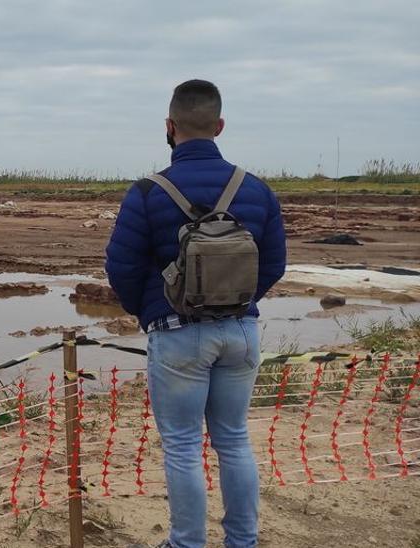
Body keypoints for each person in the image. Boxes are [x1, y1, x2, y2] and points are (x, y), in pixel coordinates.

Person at [104, 79, 287, 548]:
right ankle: (242, 542)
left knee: (184, 447)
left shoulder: (147, 192)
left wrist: (149, 312)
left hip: (177, 333)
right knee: (233, 440)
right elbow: (274, 263)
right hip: (242, 333)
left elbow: (122, 266)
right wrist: (241, 304)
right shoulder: (257, 190)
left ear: (170, 126)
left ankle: (186, 543)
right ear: (220, 125)